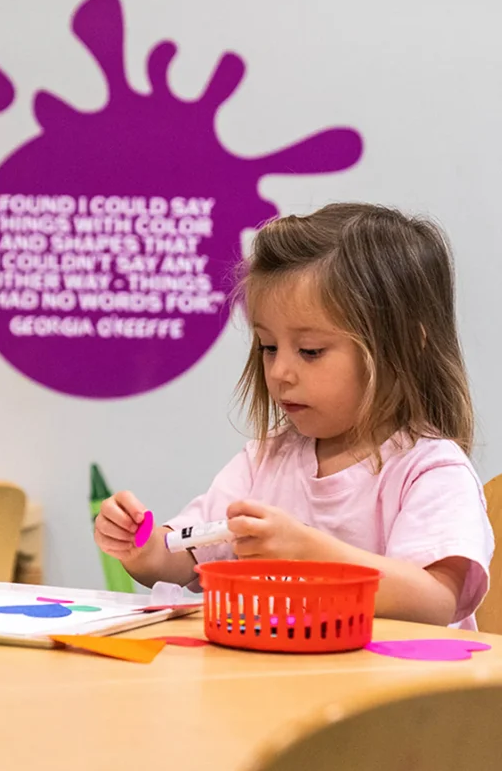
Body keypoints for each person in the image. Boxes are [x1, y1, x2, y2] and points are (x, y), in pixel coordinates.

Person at [95, 203, 494, 628]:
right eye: (268, 347)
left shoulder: (430, 472)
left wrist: (310, 553)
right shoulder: (264, 462)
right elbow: (184, 556)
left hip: (396, 691)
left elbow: (435, 601)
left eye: (310, 351)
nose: (280, 372)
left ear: (403, 348)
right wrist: (140, 546)